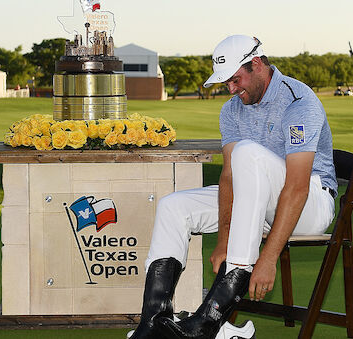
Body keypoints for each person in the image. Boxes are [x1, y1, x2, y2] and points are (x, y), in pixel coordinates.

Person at [129, 35, 337, 339]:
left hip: (310, 204)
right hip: (257, 200)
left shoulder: (298, 101)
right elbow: (228, 178)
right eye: (226, 82)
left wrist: (267, 259)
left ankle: (208, 322)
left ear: (256, 65)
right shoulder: (231, 109)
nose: (231, 88)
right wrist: (224, 238)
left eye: (235, 79)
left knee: (246, 152)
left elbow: (296, 187)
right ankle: (153, 323)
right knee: (173, 207)